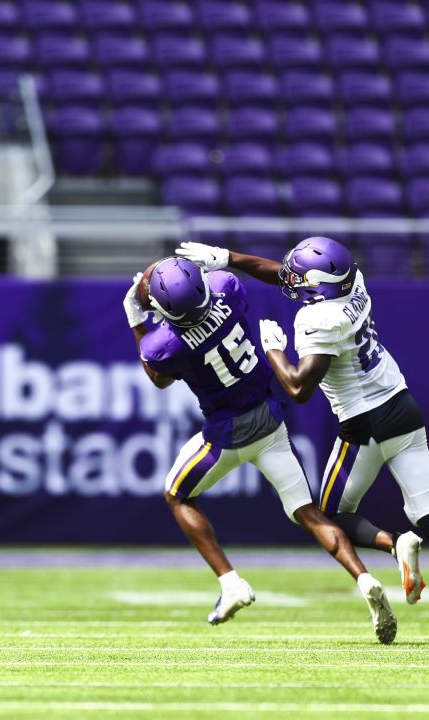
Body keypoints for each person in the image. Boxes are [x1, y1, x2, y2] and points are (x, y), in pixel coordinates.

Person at [175, 238, 429, 647]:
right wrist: (230, 259)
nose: (293, 279)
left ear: (319, 286)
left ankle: (395, 545)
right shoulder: (353, 282)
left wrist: (273, 351)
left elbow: (298, 387)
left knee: (326, 515)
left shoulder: (318, 321)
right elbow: (289, 277)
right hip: (401, 403)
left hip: (362, 423)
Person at [124, 255, 398, 644]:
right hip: (270, 420)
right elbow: (213, 287)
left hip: (226, 434)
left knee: (177, 494)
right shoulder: (227, 289)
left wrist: (137, 316)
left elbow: (158, 376)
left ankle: (231, 582)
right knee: (308, 512)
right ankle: (364, 576)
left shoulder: (165, 342)